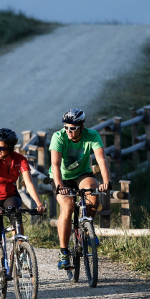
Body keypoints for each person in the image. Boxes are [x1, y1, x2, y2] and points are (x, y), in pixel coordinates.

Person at [0, 128, 45, 292]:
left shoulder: (20, 160)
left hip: (10, 195)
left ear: (10, 148)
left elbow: (29, 184)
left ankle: (21, 251)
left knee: (17, 216)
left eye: (1, 147)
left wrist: (38, 203)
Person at [49, 109, 111, 270]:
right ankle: (63, 252)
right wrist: (60, 186)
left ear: (82, 127)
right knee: (68, 206)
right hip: (61, 177)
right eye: (66, 128)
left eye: (73, 128)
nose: (69, 131)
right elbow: (55, 165)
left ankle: (87, 229)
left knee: (93, 192)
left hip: (82, 174)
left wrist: (106, 181)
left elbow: (101, 159)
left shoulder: (92, 135)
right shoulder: (58, 137)